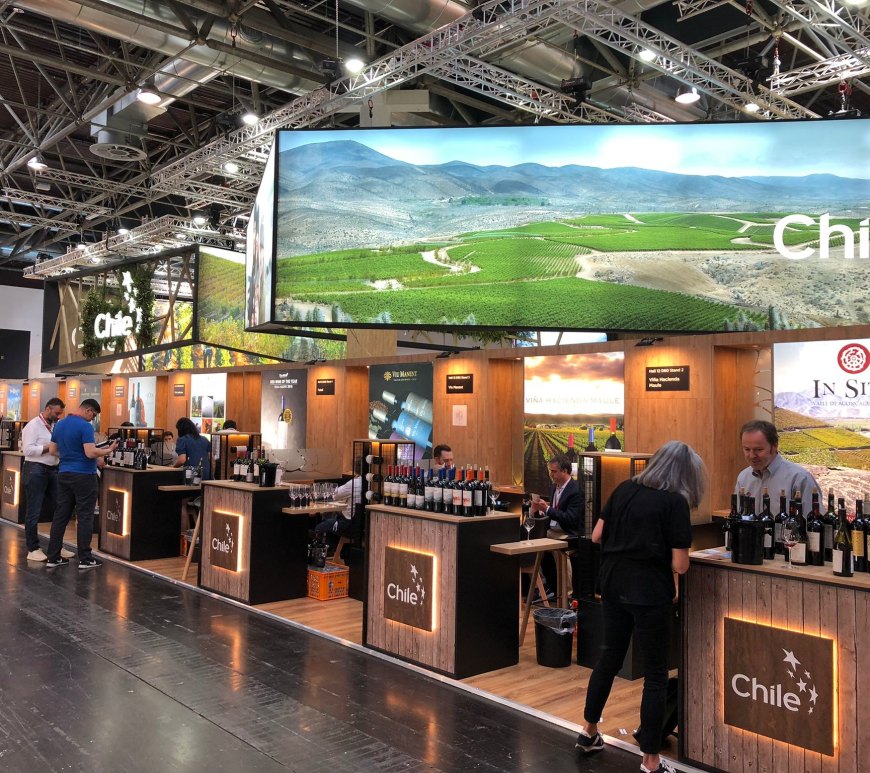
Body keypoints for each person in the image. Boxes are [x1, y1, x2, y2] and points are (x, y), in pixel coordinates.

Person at [576, 441, 706, 773]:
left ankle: (588, 731)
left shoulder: (624, 489)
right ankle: (650, 760)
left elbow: (596, 535)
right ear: (686, 474)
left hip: (613, 584)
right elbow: (680, 565)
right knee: (656, 675)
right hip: (649, 593)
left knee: (608, 659)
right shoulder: (674, 502)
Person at [45, 399, 117, 569]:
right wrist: (108, 450)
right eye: (94, 415)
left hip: (64, 473)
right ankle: (85, 558)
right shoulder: (85, 427)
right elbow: (90, 452)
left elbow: (53, 450)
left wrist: (70, 455)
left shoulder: (60, 424)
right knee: (85, 516)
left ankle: (53, 557)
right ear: (89, 410)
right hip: (84, 475)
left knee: (60, 516)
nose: (93, 419)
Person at [22, 397, 73, 562]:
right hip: (35, 470)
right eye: (57, 413)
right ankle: (33, 548)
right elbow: (27, 450)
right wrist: (48, 448)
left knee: (60, 508)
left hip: (53, 470)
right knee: (34, 511)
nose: (58, 416)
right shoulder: (33, 425)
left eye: (60, 414)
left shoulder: (55, 426)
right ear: (48, 409)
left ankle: (57, 546)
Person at [529, 454, 584, 597]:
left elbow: (570, 518)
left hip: (568, 532)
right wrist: (539, 509)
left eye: (554, 471)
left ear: (564, 471)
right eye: (550, 471)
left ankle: (568, 594)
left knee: (557, 549)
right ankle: (542, 586)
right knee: (530, 542)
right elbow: (555, 510)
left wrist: (547, 509)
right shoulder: (553, 487)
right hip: (552, 530)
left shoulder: (576, 490)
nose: (551, 474)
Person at [736, 419, 819, 514]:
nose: (752, 455)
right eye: (747, 449)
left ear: (774, 446)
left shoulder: (800, 478)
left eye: (758, 449)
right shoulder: (743, 477)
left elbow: (812, 520)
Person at [314, 476, 362, 552]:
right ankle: (336, 553)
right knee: (329, 518)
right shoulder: (371, 484)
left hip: (350, 526)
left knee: (320, 527)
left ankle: (327, 554)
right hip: (364, 527)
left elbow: (334, 495)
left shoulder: (353, 483)